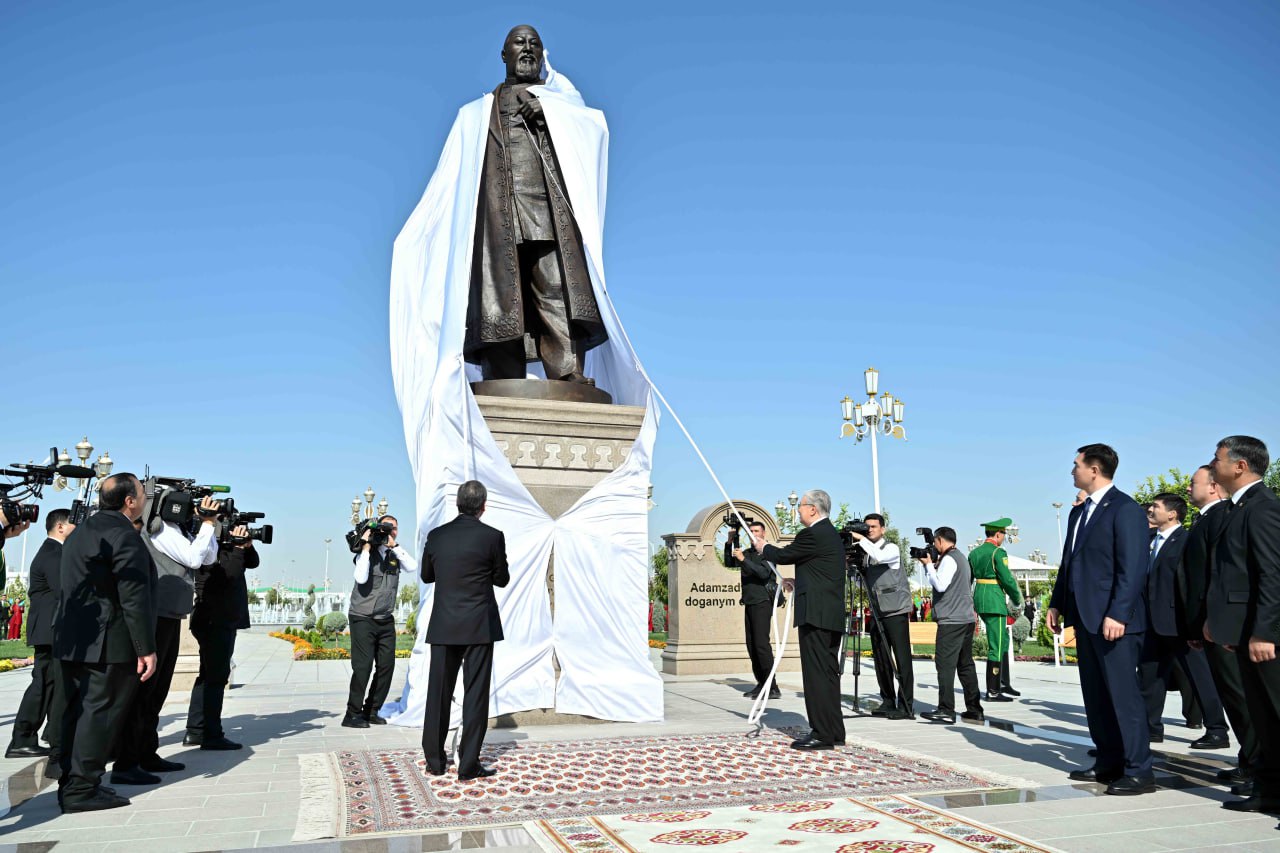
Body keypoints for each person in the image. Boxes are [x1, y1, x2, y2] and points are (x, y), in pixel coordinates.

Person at [465, 24, 606, 384]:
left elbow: (592, 131)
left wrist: (551, 115)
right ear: (504, 54)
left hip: (546, 209)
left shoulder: (561, 100)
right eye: (519, 43)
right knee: (499, 297)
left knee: (556, 288)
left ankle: (566, 372)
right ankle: (502, 375)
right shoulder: (482, 110)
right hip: (498, 214)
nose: (527, 49)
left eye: (534, 44)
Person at [1048, 443, 1154, 795]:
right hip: (1085, 619)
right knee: (1096, 697)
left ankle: (1139, 770)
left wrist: (1118, 613)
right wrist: (1057, 603)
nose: (1072, 470)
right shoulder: (1079, 513)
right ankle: (1108, 761)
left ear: (1095, 469)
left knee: (1123, 697)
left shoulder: (1124, 509)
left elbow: (1133, 567)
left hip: (1114, 620)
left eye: (1076, 465)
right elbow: (1070, 562)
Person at [54, 473, 157, 813]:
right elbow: (133, 597)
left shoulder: (82, 531)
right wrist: (145, 647)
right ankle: (81, 789)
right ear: (130, 501)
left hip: (74, 639)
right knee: (100, 714)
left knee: (77, 712)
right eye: (142, 492)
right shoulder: (122, 535)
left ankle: (72, 782)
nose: (145, 497)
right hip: (108, 642)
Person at [113, 491, 219, 783]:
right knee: (145, 691)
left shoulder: (179, 530)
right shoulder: (160, 529)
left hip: (169, 615)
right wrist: (207, 525)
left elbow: (209, 555)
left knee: (158, 691)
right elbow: (194, 559)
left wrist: (207, 525)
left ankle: (146, 752)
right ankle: (127, 762)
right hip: (155, 615)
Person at [1205, 436, 1280, 813]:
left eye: (1217, 459)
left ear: (1240, 466)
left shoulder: (1263, 508)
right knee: (1263, 720)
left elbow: (1272, 574)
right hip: (1242, 631)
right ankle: (1269, 791)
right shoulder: (1237, 508)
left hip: (1264, 637)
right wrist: (1219, 624)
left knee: (1277, 715)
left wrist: (1265, 631)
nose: (1212, 464)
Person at [422, 481, 510, 780]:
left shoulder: (436, 536)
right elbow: (502, 579)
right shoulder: (492, 537)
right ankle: (468, 764)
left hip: (444, 625)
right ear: (483, 506)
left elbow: (426, 575)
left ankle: (435, 761)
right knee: (475, 696)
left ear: (457, 504)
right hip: (478, 626)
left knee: (438, 693)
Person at [1179, 464, 1259, 790]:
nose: (1187, 489)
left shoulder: (1221, 516)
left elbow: (1218, 575)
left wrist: (1211, 621)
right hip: (1207, 625)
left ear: (1212, 486)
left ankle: (1257, 767)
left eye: (1193, 483)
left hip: (1221, 625)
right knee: (1233, 699)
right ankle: (1250, 763)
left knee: (1241, 699)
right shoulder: (1205, 518)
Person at [751, 489, 847, 746]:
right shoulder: (830, 534)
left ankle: (821, 734)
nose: (798, 510)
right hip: (829, 614)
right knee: (828, 675)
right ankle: (834, 731)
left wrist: (763, 547)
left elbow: (783, 555)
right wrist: (797, 581)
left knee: (816, 676)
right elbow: (819, 571)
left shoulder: (813, 533)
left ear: (813, 509)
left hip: (816, 615)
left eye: (801, 506)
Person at [1138, 492, 1229, 748]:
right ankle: (1150, 728)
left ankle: (1217, 730)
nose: (1151, 510)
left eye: (1156, 506)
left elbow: (1192, 581)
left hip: (1179, 623)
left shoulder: (1186, 540)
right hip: (1151, 623)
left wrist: (1196, 621)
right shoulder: (1148, 540)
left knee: (1200, 677)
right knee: (1149, 678)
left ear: (1172, 513)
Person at [6, 509, 75, 759]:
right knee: (43, 685)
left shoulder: (55, 551)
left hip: (51, 629)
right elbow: (64, 590)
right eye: (73, 525)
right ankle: (22, 738)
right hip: (49, 630)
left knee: (51, 684)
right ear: (60, 527)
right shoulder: (53, 553)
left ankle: (46, 734)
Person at [185, 524, 258, 748]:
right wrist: (237, 548)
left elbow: (252, 562)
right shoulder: (208, 549)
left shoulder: (228, 548)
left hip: (218, 618)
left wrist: (246, 545)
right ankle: (211, 735)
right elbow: (231, 575)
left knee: (208, 675)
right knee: (216, 677)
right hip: (215, 619)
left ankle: (196, 730)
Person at [344, 514, 417, 728]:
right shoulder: (365, 554)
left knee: (387, 665)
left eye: (393, 528)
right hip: (362, 617)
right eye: (386, 528)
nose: (390, 531)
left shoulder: (395, 555)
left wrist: (396, 546)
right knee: (363, 666)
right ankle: (352, 713)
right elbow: (361, 578)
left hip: (385, 619)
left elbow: (412, 566)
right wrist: (366, 547)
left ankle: (372, 710)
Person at [845, 513, 915, 719]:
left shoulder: (890, 548)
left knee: (901, 659)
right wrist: (850, 568)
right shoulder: (866, 552)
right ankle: (887, 700)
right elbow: (863, 583)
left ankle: (905, 704)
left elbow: (880, 557)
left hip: (895, 611)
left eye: (873, 527)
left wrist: (861, 539)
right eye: (866, 527)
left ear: (883, 529)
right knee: (881, 658)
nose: (869, 530)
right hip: (877, 612)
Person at [919, 527, 983, 724]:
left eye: (935, 543)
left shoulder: (948, 559)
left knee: (945, 665)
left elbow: (940, 585)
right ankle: (974, 709)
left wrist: (929, 565)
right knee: (965, 665)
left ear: (939, 541)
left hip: (952, 621)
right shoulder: (961, 557)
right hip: (965, 619)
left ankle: (946, 709)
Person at [969, 518, 1023, 702]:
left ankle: (1003, 682)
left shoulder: (974, 552)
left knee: (1003, 639)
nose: (1004, 538)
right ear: (998, 534)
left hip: (980, 598)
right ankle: (993, 689)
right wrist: (1017, 598)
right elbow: (1006, 579)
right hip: (994, 600)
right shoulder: (998, 552)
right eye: (1004, 534)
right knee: (997, 644)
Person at [727, 520, 781, 701]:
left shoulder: (767, 552)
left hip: (763, 602)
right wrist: (730, 543)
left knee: (761, 645)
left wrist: (744, 560)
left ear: (763, 533)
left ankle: (772, 687)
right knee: (751, 646)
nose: (753, 534)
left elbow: (764, 573)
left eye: (756, 531)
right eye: (750, 531)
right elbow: (730, 562)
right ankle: (761, 683)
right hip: (749, 602)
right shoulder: (747, 553)